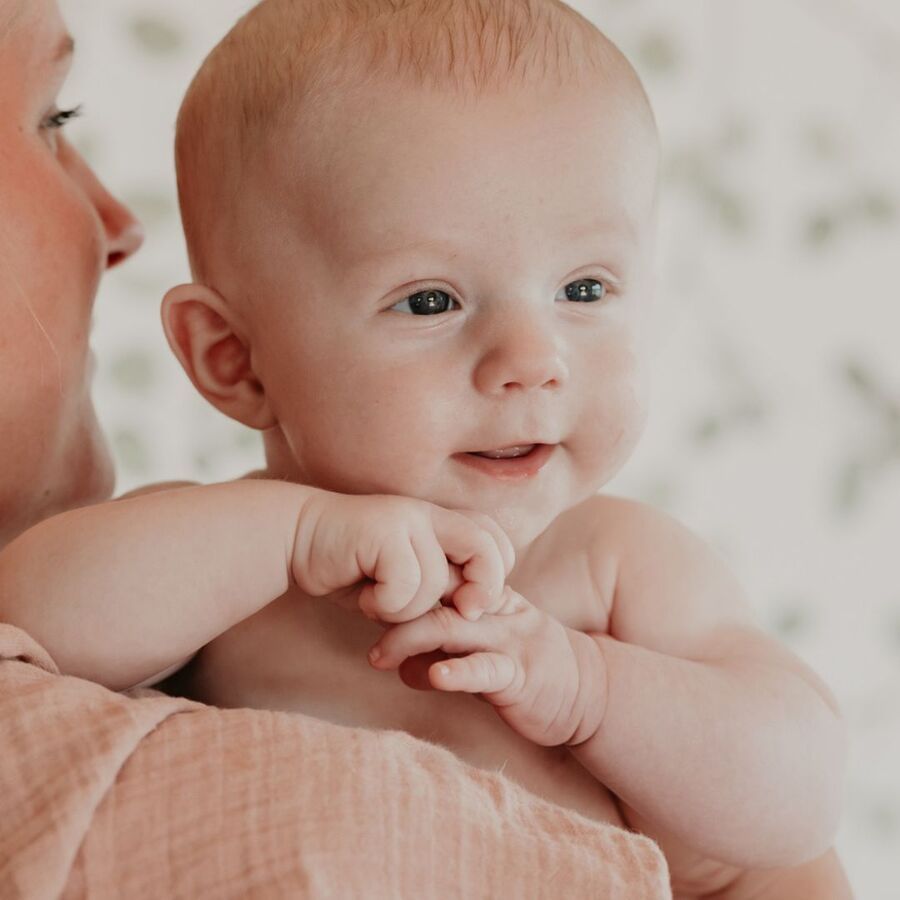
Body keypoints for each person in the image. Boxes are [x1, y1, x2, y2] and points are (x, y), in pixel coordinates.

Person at [0, 0, 853, 897]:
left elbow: (801, 796)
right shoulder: (220, 571)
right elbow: (27, 623)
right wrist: (291, 537)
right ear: (237, 359)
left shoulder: (614, 570)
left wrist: (589, 690)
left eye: (585, 287)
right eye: (430, 302)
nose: (534, 362)